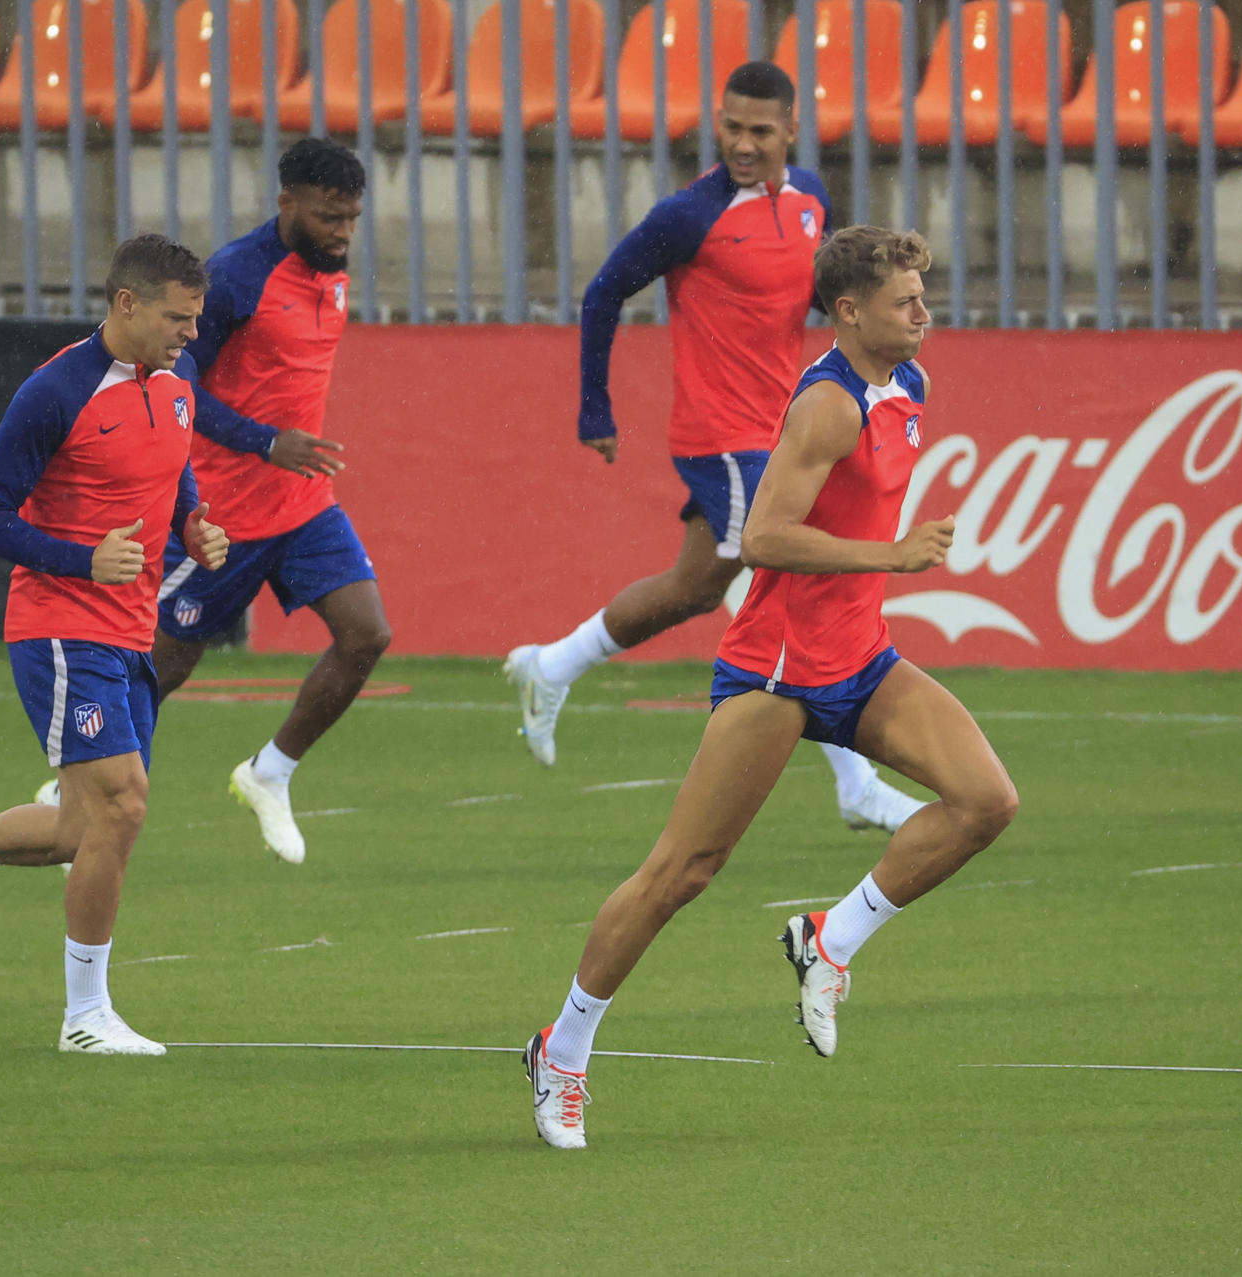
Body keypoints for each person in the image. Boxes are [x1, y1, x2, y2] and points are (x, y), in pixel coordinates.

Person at [519, 227, 1020, 1150]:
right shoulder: (827, 405)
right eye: (905, 300)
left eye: (923, 295)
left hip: (859, 656)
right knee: (683, 872)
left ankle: (829, 941)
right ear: (849, 311)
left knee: (986, 801)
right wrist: (892, 555)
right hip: (778, 670)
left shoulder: (909, 387)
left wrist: (879, 571)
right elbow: (761, 540)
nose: (923, 313)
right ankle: (564, 1047)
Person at [504, 61, 924, 836]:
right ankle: (856, 780)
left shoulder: (808, 201)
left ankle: (550, 664)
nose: (742, 142)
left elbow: (804, 294)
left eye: (760, 130)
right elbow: (603, 293)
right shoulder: (688, 215)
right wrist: (594, 406)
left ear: (791, 131)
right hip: (723, 436)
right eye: (731, 126)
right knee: (791, 567)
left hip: (783, 426)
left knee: (698, 585)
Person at [0, 235, 229, 1057]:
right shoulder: (55, 390)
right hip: (61, 625)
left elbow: (172, 469)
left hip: (132, 629)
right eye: (178, 317)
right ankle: (85, 1015)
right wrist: (83, 558)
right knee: (124, 803)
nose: (190, 334)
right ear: (125, 304)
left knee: (81, 830)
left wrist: (192, 521)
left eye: (196, 319)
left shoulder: (177, 380)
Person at [39, 138, 384, 867]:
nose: (342, 232)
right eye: (328, 217)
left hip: (303, 505)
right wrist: (263, 442)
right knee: (160, 667)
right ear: (287, 202)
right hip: (220, 517)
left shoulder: (332, 271)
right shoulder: (233, 279)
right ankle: (76, 797)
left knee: (366, 634)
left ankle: (270, 772)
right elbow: (177, 381)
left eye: (352, 218)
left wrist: (285, 457)